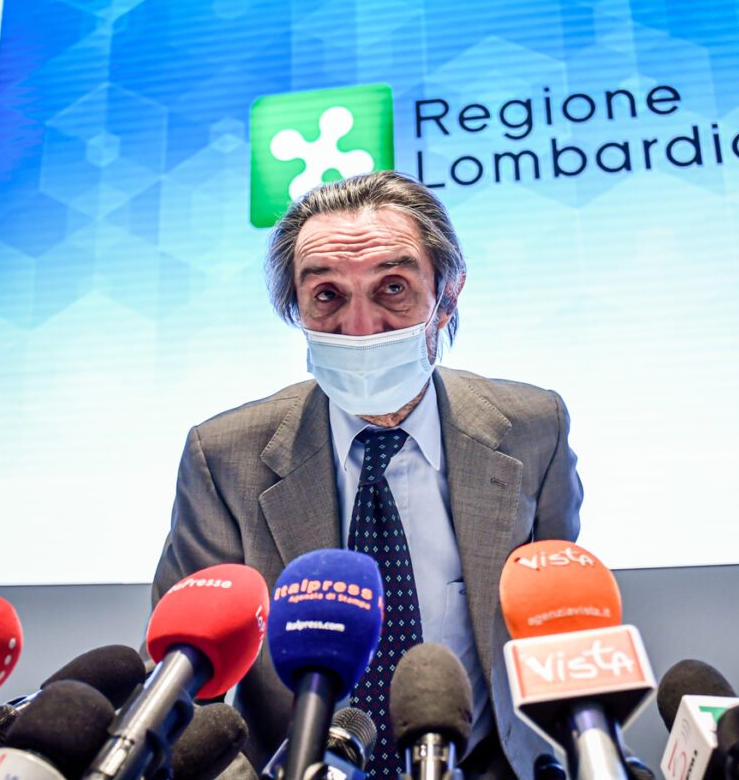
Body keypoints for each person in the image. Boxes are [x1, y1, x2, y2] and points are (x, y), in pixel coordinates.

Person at [151, 170, 582, 779]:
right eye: (327, 294)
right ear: (295, 306)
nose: (360, 327)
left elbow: (557, 629)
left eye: (393, 288)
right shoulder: (222, 458)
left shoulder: (535, 429)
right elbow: (184, 688)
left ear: (447, 296)